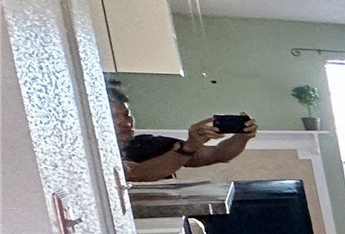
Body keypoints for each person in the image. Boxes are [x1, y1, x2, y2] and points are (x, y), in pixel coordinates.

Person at [106, 77, 258, 182]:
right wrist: (188, 148)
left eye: (127, 115)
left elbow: (218, 154)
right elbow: (136, 174)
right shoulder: (100, 156)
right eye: (114, 117)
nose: (125, 123)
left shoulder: (147, 144)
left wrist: (242, 137)